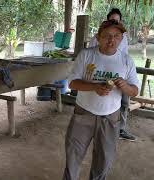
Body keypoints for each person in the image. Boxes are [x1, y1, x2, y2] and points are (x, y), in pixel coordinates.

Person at [63, 20, 139, 180]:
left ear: (121, 38)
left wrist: (125, 86)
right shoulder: (86, 55)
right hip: (83, 114)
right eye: (107, 36)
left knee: (104, 161)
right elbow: (72, 83)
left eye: (116, 36)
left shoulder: (126, 60)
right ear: (98, 37)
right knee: (73, 156)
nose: (111, 40)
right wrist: (94, 87)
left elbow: (135, 91)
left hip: (111, 117)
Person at [89, 8, 136, 141]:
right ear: (107, 20)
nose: (114, 22)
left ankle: (120, 129)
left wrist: (125, 77)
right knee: (103, 99)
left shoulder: (124, 37)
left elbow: (125, 55)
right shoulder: (97, 37)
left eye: (117, 20)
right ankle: (96, 127)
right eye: (112, 20)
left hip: (121, 77)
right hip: (102, 75)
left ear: (120, 22)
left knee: (124, 102)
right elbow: (91, 54)